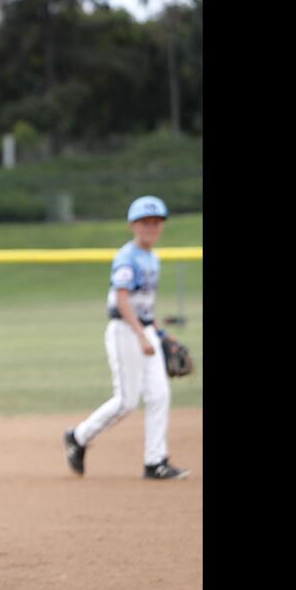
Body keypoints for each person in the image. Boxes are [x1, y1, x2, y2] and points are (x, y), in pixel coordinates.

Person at [64, 196, 190, 481]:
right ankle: (78, 436)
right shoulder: (127, 257)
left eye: (157, 222)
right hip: (125, 330)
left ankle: (155, 461)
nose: (152, 227)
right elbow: (122, 300)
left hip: (143, 330)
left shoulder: (152, 258)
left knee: (159, 395)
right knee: (127, 401)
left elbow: (145, 306)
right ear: (133, 225)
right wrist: (140, 335)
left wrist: (158, 333)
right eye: (146, 222)